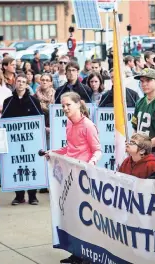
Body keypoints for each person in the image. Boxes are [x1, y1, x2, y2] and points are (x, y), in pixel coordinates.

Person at [46, 92, 101, 264]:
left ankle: (87, 255)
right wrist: (53, 152)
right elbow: (69, 148)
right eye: (63, 106)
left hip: (82, 179)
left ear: (78, 104)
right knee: (70, 216)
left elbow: (98, 150)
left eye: (68, 105)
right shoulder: (69, 123)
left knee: (83, 218)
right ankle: (76, 253)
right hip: (69, 175)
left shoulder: (88, 125)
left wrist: (91, 163)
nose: (65, 108)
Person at [2, 74, 43, 205]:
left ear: (27, 85)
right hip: (14, 140)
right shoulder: (7, 101)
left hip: (30, 141)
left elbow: (40, 120)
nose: (20, 84)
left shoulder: (34, 101)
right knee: (16, 166)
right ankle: (19, 196)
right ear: (15, 83)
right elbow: (3, 120)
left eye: (23, 82)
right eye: (18, 81)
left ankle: (32, 196)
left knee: (31, 165)